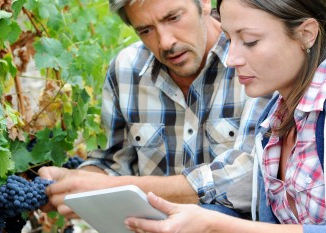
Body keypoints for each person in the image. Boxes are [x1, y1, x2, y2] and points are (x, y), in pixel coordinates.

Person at [124, 0, 326, 233]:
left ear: (306, 33)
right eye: (229, 39)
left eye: (249, 41)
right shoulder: (275, 116)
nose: (233, 58)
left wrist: (214, 225)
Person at [38, 0, 270, 219]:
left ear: (204, 3)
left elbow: (247, 181)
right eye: (146, 30)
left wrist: (112, 187)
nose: (165, 42)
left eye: (173, 18)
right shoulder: (126, 70)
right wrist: (70, 184)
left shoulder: (252, 64)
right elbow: (112, 164)